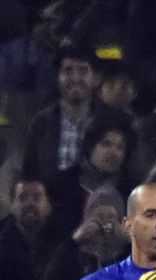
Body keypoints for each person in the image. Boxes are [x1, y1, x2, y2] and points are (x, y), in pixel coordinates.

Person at [22, 44, 130, 184]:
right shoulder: (41, 124)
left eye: (83, 71)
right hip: (53, 201)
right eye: (68, 71)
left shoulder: (116, 121)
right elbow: (29, 174)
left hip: (103, 201)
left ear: (96, 79)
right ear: (58, 78)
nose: (75, 78)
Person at [0, 178, 58, 280]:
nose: (29, 203)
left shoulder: (60, 245)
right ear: (12, 206)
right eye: (23, 198)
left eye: (37, 198)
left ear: (49, 206)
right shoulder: (2, 249)